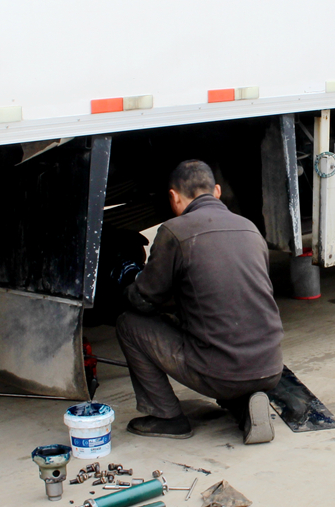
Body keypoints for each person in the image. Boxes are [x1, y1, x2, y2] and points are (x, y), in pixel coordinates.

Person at [115, 159, 284, 444]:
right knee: (215, 328)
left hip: (219, 372)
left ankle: (166, 417)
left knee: (128, 324)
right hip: (270, 368)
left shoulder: (175, 231)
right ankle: (244, 403)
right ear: (216, 191)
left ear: (173, 197)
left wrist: (126, 285)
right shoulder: (249, 228)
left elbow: (144, 300)